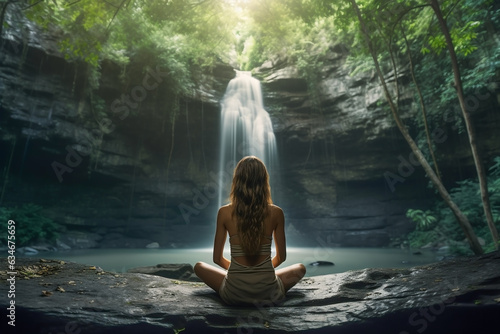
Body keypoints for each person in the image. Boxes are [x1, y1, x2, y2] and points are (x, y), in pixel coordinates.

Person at [194, 156, 306, 305]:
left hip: (234, 293)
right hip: (269, 293)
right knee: (300, 268)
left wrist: (241, 271)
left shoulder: (224, 212)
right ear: (264, 181)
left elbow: (217, 259)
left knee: (199, 266)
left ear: (237, 181)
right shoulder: (276, 212)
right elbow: (281, 257)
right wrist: (258, 273)